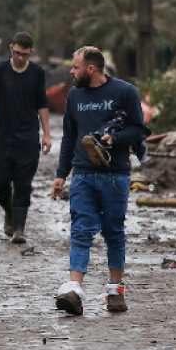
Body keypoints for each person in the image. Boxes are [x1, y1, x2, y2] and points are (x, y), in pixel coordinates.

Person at [51, 46, 148, 315]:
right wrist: (61, 174)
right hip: (82, 174)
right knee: (80, 229)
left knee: (113, 231)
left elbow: (138, 130)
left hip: (115, 175)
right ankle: (74, 290)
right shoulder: (74, 95)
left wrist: (114, 139)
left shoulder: (124, 92)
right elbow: (69, 137)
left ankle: (115, 291)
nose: (71, 71)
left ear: (90, 68)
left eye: (75, 67)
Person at [0, 32, 51, 244]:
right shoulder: (0, 70)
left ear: (31, 53)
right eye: (17, 53)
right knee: (0, 180)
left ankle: (19, 228)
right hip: (2, 135)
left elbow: (42, 104)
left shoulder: (37, 73)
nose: (20, 58)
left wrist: (47, 134)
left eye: (25, 55)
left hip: (28, 137)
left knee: (23, 183)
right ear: (11, 48)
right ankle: (8, 211)